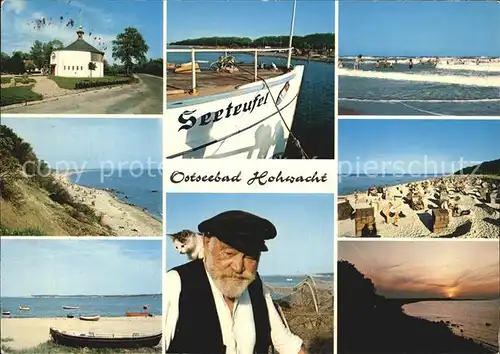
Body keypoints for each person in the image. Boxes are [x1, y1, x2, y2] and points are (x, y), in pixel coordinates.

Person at [164, 210, 307, 354]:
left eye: (250, 257)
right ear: (207, 244)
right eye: (229, 253)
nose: (238, 267)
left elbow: (285, 342)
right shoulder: (177, 282)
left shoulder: (255, 285)